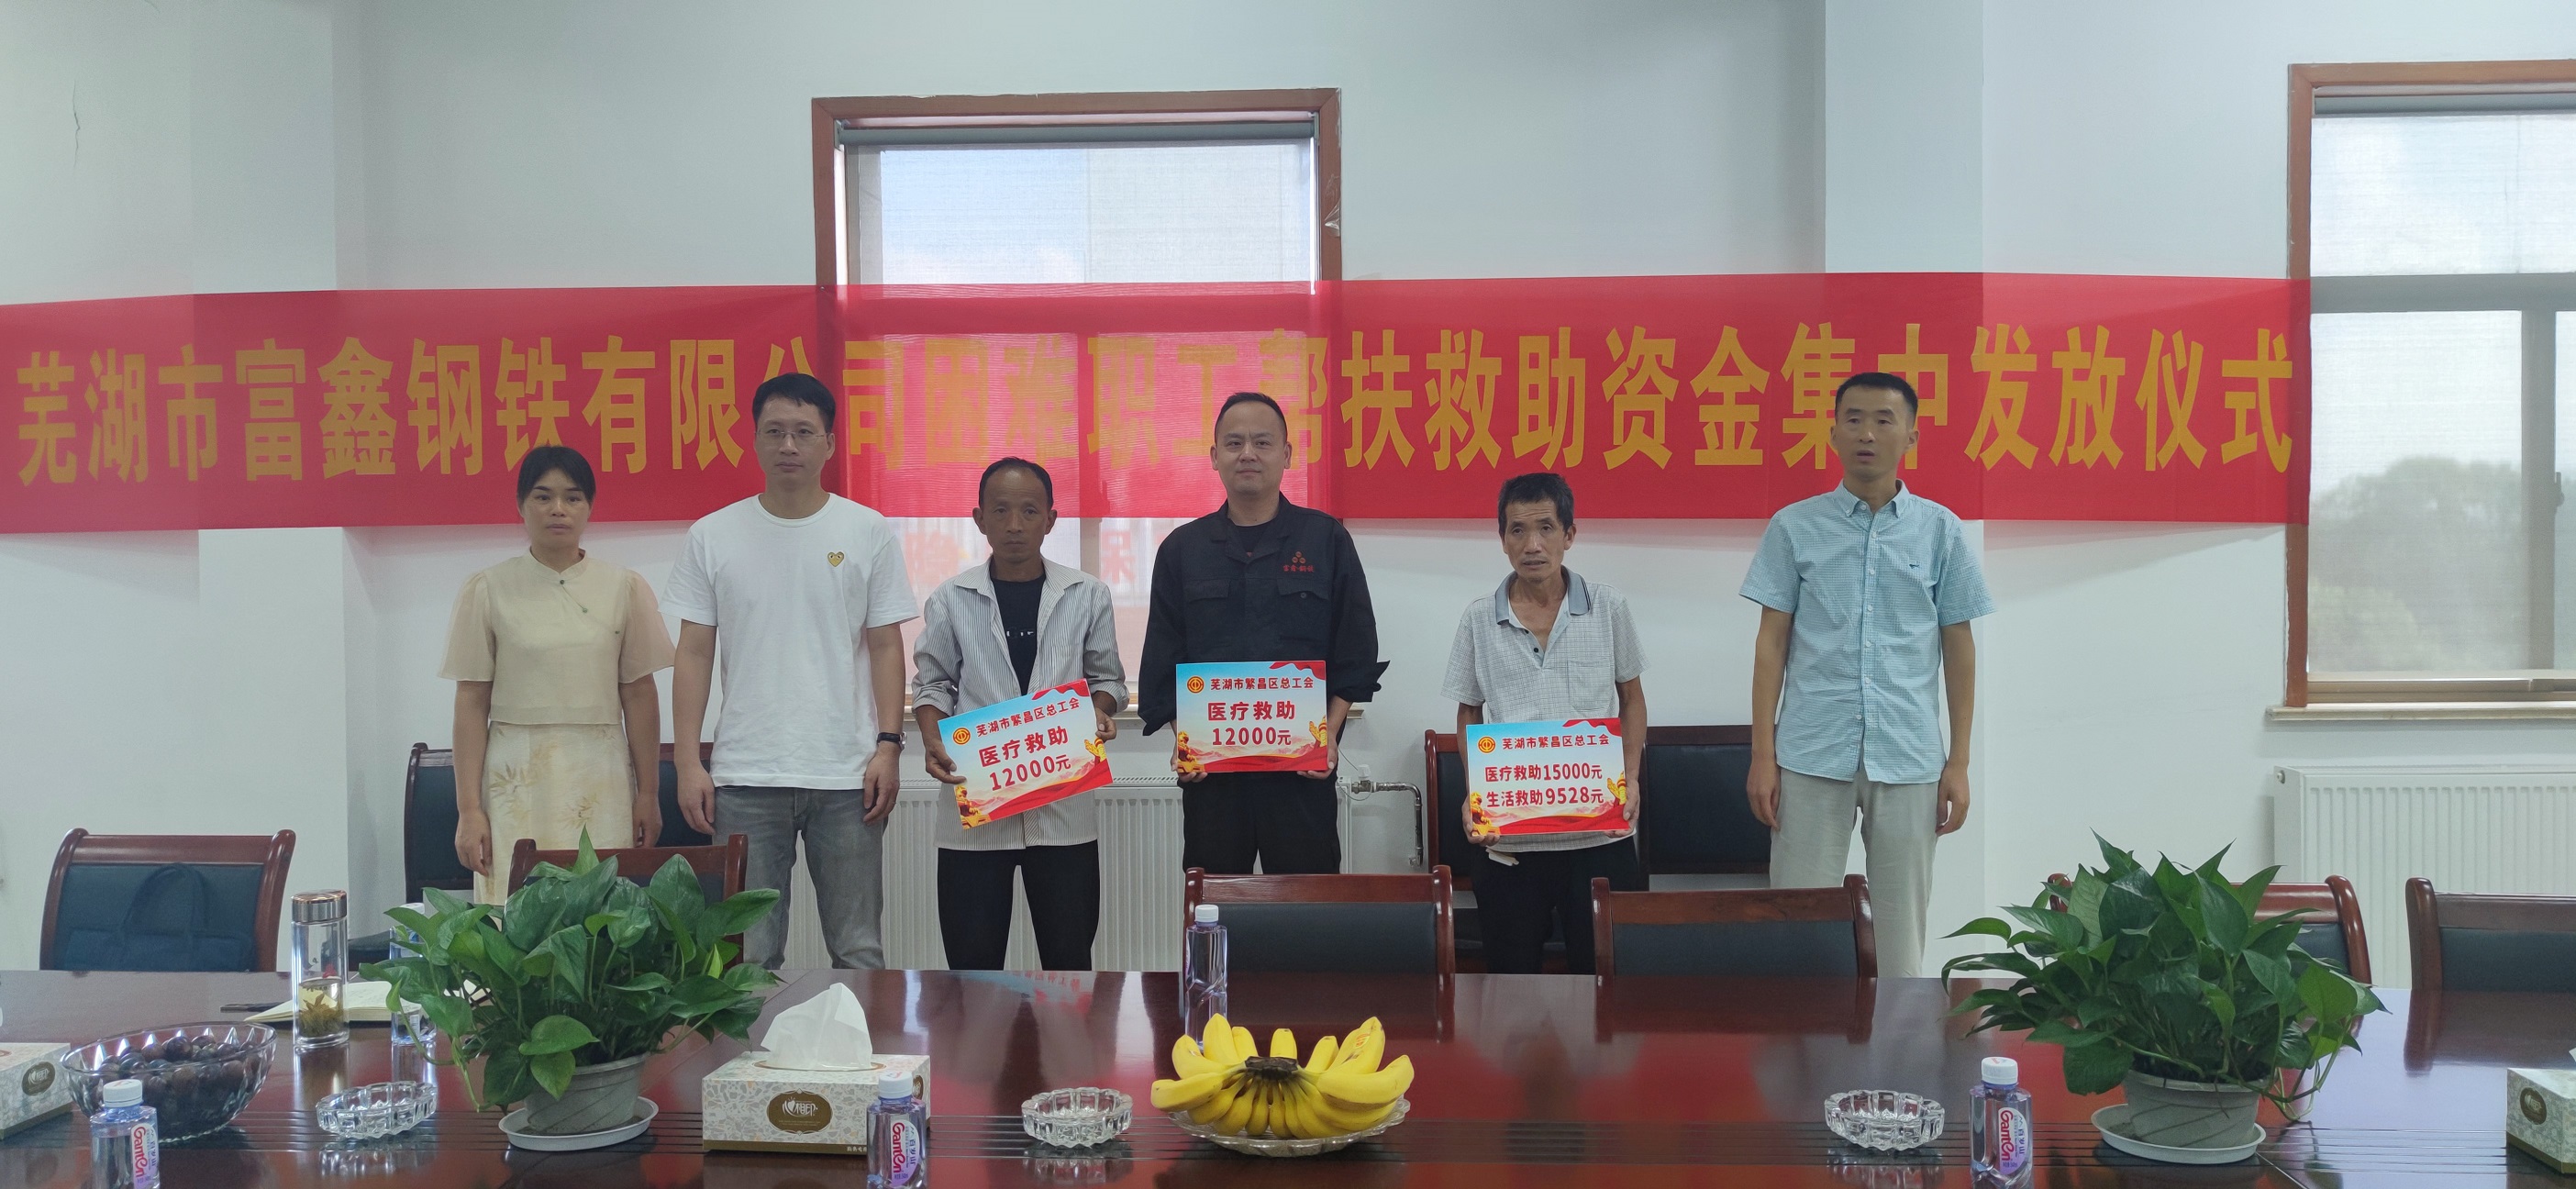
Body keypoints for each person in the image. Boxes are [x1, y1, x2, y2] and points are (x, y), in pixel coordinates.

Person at [1739, 371, 1992, 979]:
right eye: (1853, 419)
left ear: (1911, 436)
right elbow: (1771, 644)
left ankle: (1898, 1040)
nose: (1867, 434)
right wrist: (1763, 755)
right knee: (1800, 926)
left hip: (1908, 754)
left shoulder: (1941, 530)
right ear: (1833, 433)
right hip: (1809, 752)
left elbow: (1958, 647)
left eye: (1884, 420)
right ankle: (1804, 1039)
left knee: (1902, 934)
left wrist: (1958, 762)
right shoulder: (1794, 526)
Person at [664, 372, 918, 970]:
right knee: (748, 957)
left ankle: (860, 1039)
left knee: (858, 949)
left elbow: (886, 646)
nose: (788, 446)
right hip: (746, 776)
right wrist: (687, 762)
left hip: (847, 774)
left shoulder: (866, 531)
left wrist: (888, 746)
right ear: (754, 440)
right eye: (774, 431)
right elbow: (694, 653)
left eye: (804, 432)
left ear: (829, 443)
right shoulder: (712, 535)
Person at [1139, 391, 1385, 874]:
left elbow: (1356, 650)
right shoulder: (1182, 550)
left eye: (1262, 442)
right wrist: (1183, 738)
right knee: (1214, 903)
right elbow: (1163, 657)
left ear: (1287, 455)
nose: (1247, 454)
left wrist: (1329, 734)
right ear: (1215, 457)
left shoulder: (1326, 539)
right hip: (1214, 779)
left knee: (1306, 907)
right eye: (1234, 443)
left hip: (1301, 775)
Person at [913, 458, 1127, 971]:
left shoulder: (1087, 594)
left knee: (1069, 964)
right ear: (979, 519)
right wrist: (932, 740)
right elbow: (932, 684)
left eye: (1029, 511)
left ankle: (1065, 1032)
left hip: (1062, 810)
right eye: (1000, 511)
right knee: (972, 968)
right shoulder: (950, 598)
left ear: (1051, 519)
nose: (1014, 524)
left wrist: (1100, 712)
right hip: (976, 807)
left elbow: (1108, 681)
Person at [440, 444, 676, 904]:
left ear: (589, 506)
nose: (558, 509)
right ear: (520, 505)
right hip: (515, 773)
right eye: (543, 496)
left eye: (573, 497)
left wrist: (648, 793)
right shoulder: (487, 588)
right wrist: (469, 810)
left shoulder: (624, 587)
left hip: (601, 771)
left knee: (598, 910)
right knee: (515, 907)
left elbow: (640, 695)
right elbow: (470, 702)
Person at [1441, 472, 1649, 974]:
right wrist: (1475, 790)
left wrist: (1631, 774)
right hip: (1510, 840)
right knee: (1511, 991)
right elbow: (1469, 712)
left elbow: (1632, 699)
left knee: (1605, 984)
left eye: (1546, 528)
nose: (1532, 544)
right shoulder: (1478, 618)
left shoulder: (1608, 606)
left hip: (1599, 836)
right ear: (1502, 539)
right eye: (1517, 530)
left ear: (1569, 534)